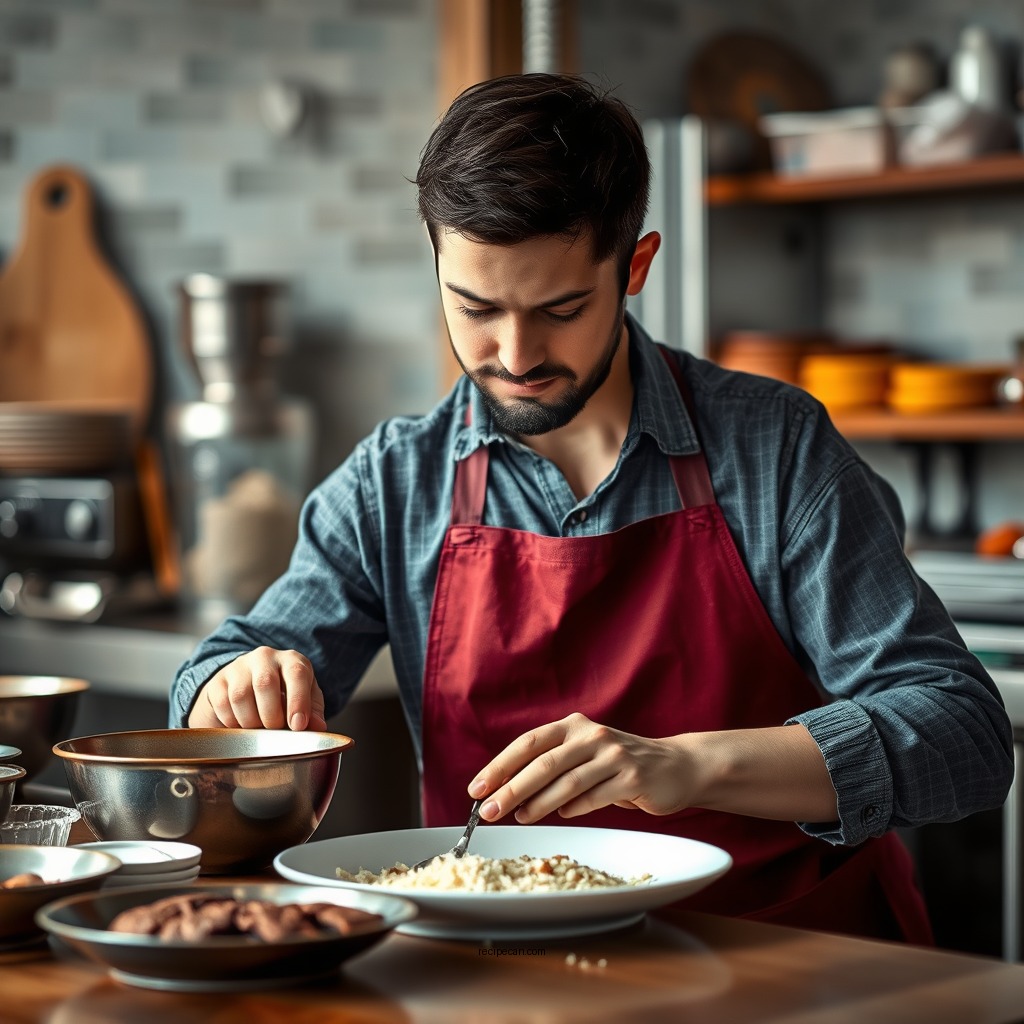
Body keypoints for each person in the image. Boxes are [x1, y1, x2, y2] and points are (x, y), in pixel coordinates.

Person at [171, 72, 1013, 944]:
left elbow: (961, 732)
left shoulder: (775, 449)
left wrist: (686, 765)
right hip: (501, 977)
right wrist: (229, 694)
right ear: (437, 266)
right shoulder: (396, 482)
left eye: (561, 309)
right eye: (476, 308)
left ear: (635, 267)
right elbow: (220, 673)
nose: (516, 354)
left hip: (788, 962)